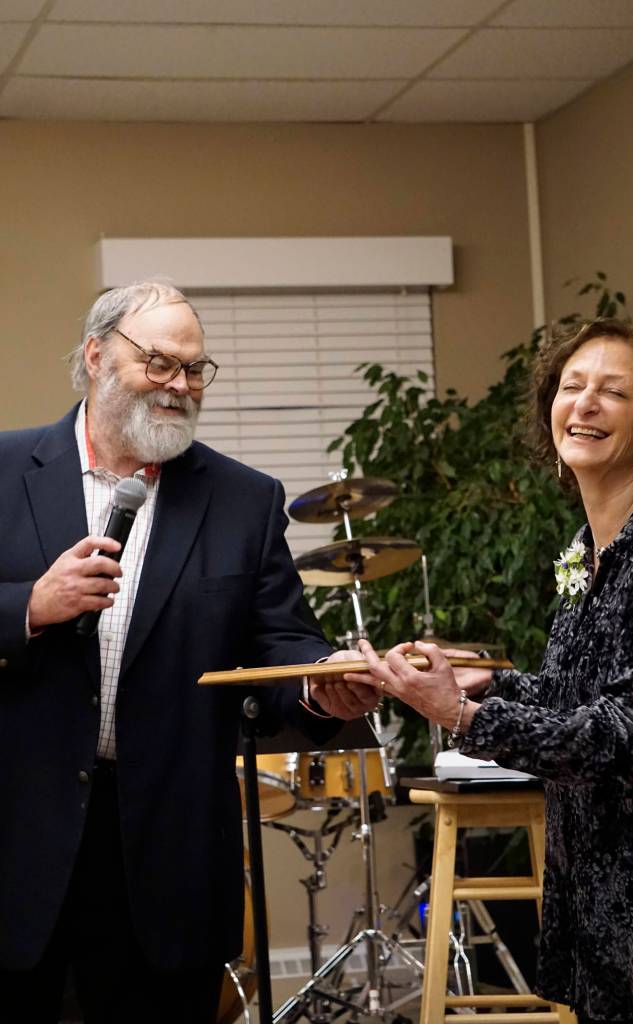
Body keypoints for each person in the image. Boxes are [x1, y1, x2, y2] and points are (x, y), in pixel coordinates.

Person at [0, 281, 378, 1023]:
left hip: (166, 858)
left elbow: (281, 643)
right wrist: (30, 608)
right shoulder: (4, 469)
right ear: (96, 355)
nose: (179, 385)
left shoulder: (242, 499)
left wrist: (319, 684)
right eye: (159, 363)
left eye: (195, 368)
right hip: (18, 846)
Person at [352, 318, 633, 1023]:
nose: (585, 403)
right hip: (599, 907)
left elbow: (620, 735)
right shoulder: (587, 549)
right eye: (572, 387)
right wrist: (493, 684)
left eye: (613, 392)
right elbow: (581, 697)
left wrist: (460, 716)